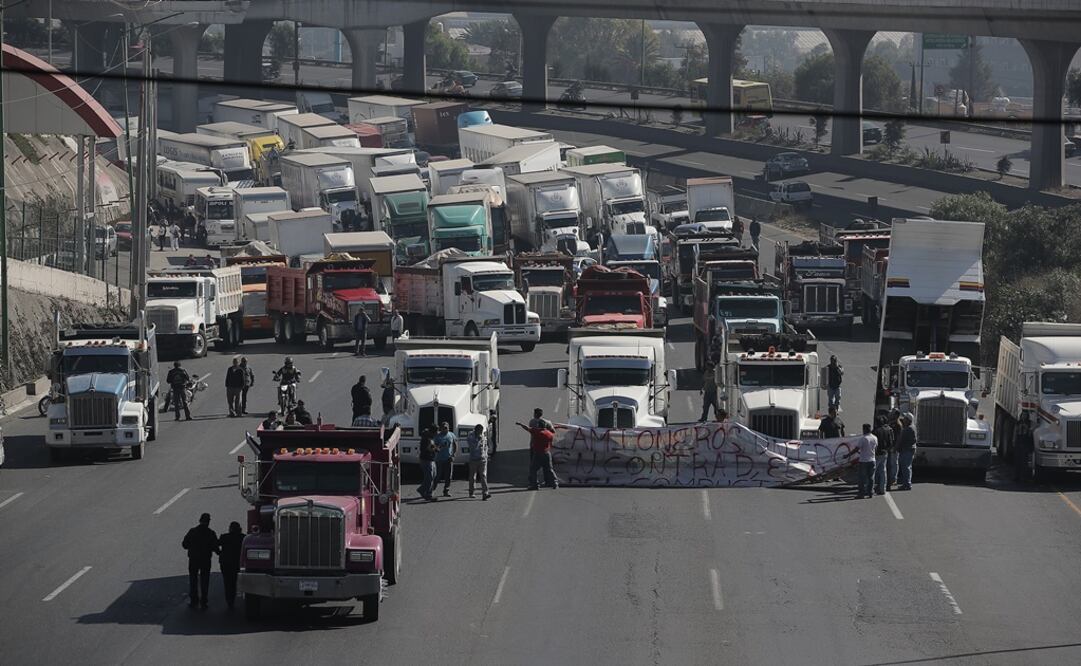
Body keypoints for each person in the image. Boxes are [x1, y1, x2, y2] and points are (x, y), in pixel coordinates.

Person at [182, 513, 218, 609]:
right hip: (205, 559)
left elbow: (184, 544)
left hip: (193, 559)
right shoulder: (211, 533)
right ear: (208, 522)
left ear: (200, 520)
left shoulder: (193, 531)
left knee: (193, 578)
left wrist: (192, 547)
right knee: (205, 579)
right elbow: (216, 547)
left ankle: (194, 600)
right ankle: (204, 601)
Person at [518, 420, 559, 490]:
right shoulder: (550, 434)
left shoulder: (537, 432)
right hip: (547, 453)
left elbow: (527, 428)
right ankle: (555, 483)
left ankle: (535, 485)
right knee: (549, 469)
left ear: (539, 426)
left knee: (533, 469)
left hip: (538, 453)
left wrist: (520, 424)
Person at [217, 521, 244, 609]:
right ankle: (234, 596)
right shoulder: (242, 537)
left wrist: (219, 553)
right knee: (236, 580)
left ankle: (229, 600)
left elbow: (216, 544)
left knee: (228, 582)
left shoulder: (224, 537)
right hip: (237, 563)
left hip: (226, 563)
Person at [433, 422, 458, 497]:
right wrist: (439, 447)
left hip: (448, 458)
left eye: (446, 428)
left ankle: (446, 490)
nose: (445, 429)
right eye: (443, 428)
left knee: (448, 476)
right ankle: (432, 490)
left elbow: (455, 445)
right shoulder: (437, 436)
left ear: (448, 428)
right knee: (437, 476)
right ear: (441, 428)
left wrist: (454, 455)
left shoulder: (451, 435)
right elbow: (434, 447)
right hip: (439, 459)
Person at [466, 424, 491, 500]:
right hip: (474, 459)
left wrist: (486, 454)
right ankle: (472, 492)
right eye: (479, 431)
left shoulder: (482, 436)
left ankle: (485, 493)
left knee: (483, 476)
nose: (481, 432)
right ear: (476, 430)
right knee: (472, 477)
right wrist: (478, 440)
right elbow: (473, 447)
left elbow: (485, 446)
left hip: (482, 459)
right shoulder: (471, 436)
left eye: (481, 431)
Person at [872, 415, 895, 496]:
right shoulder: (887, 430)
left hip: (877, 453)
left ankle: (871, 488)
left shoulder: (876, 431)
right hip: (885, 453)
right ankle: (882, 488)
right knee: (883, 471)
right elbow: (891, 442)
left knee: (873, 471)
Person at [856, 424, 878, 499]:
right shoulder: (874, 438)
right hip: (872, 460)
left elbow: (857, 449)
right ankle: (870, 492)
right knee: (871, 477)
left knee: (862, 478)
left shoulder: (863, 438)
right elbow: (875, 448)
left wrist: (847, 455)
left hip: (863, 461)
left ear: (864, 429)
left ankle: (861, 494)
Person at [416, 426, 438, 501]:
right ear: (433, 432)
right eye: (436, 432)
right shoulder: (426, 438)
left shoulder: (430, 437)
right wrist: (435, 449)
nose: (437, 434)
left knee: (433, 476)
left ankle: (427, 492)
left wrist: (435, 448)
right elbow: (428, 448)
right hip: (426, 460)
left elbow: (431, 446)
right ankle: (426, 492)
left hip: (431, 459)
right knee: (429, 477)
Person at [896, 413, 917, 490]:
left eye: (905, 418)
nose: (903, 419)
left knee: (906, 468)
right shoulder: (912, 427)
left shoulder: (908, 429)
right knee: (907, 467)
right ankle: (906, 483)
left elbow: (901, 440)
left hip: (907, 450)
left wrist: (896, 448)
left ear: (908, 420)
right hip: (909, 450)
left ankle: (907, 484)